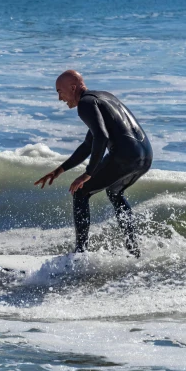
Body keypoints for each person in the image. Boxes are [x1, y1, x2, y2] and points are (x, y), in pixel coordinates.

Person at [34, 70, 153, 257]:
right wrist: (59, 170)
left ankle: (80, 255)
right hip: (144, 155)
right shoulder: (102, 97)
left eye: (60, 92)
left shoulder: (86, 104)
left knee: (80, 192)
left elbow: (101, 137)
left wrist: (88, 173)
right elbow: (89, 144)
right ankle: (133, 250)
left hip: (124, 155)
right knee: (114, 192)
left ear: (73, 88)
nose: (60, 98)